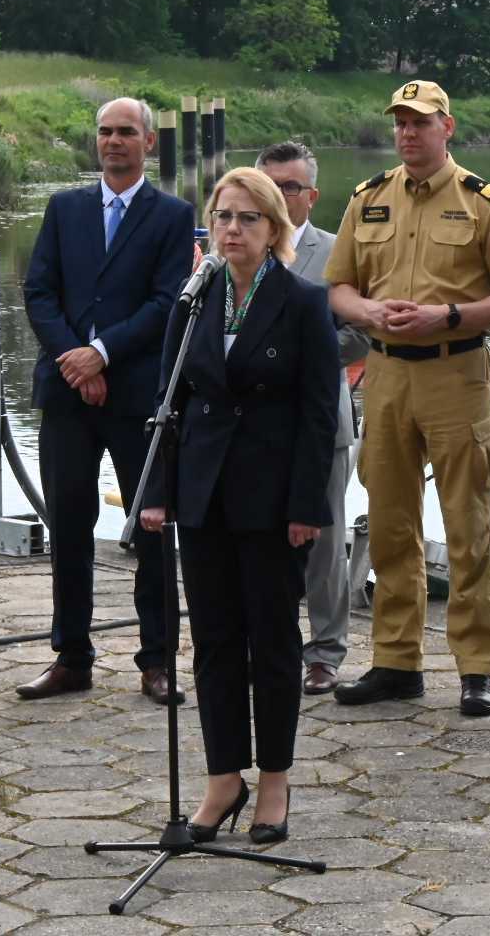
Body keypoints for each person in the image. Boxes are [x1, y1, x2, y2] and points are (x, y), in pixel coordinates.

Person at [139, 167, 339, 845]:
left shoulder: (304, 301)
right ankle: (224, 777)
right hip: (202, 494)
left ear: (274, 228)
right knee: (215, 642)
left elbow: (319, 415)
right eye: (222, 217)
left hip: (274, 498)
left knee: (274, 641)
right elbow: (169, 403)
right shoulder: (194, 299)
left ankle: (275, 780)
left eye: (248, 218)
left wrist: (307, 504)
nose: (232, 229)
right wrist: (160, 494)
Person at [327, 80, 490, 717]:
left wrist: (446, 316)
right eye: (400, 123)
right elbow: (337, 287)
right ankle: (396, 661)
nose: (408, 133)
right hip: (386, 376)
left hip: (455, 374)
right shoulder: (368, 199)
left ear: (448, 126)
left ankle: (476, 668)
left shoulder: (483, 204)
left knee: (468, 528)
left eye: (420, 122)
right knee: (390, 524)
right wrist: (368, 311)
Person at [19, 97, 194, 705]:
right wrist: (75, 358)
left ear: (149, 142)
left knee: (152, 527)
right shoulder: (64, 208)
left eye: (126, 132)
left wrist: (104, 354)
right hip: (68, 393)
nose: (113, 141)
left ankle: (157, 661)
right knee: (69, 524)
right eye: (104, 132)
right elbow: (38, 290)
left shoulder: (172, 215)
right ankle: (71, 657)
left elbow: (168, 300)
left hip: (137, 395)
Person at [256, 141, 371, 697]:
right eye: (269, 187)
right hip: (251, 424)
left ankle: (325, 653)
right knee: (258, 537)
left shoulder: (339, 255)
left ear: (312, 195)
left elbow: (363, 334)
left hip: (320, 418)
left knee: (323, 539)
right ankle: (268, 642)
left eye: (291, 187)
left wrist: (294, 351)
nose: (280, 197)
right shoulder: (232, 252)